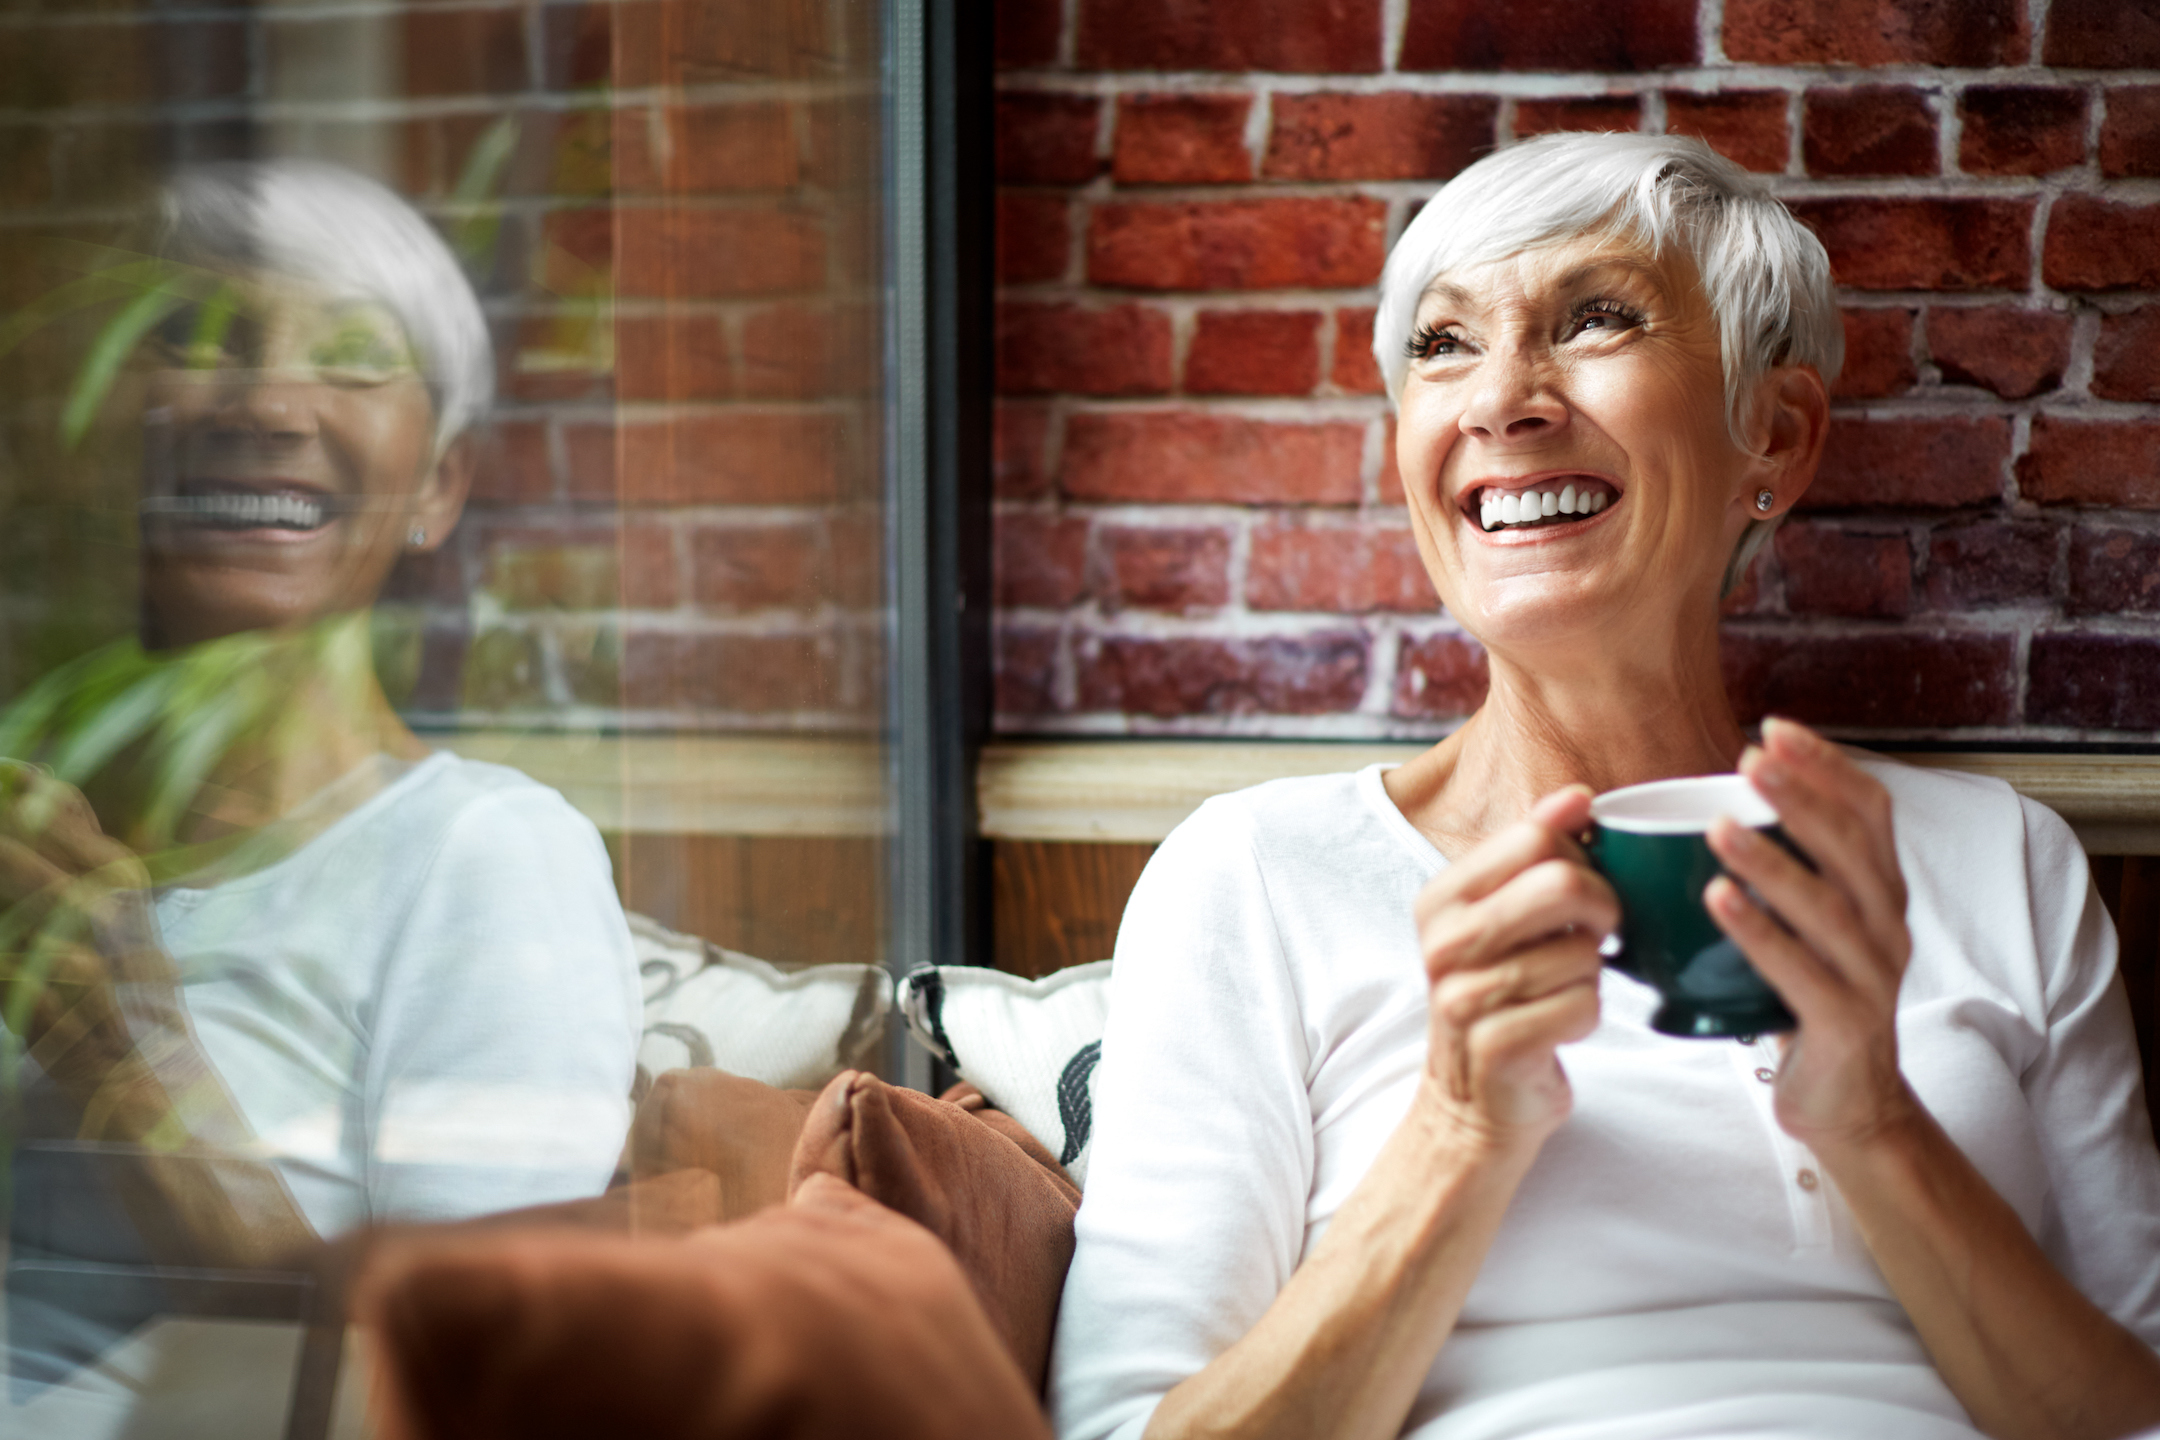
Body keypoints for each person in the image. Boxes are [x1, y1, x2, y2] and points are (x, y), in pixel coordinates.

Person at [1050, 134, 2160, 1440]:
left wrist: (1872, 1122)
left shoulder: (2000, 862)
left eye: (1594, 319)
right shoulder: (1252, 874)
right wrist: (1458, 1131)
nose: (1501, 401)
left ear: (1778, 435)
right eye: (1445, 344)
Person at [0, 161, 639, 1415]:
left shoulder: (489, 858)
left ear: (438, 488)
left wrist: (122, 1056)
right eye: (195, 341)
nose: (269, 400)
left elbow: (464, 1382)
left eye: (351, 358)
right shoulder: (29, 819)